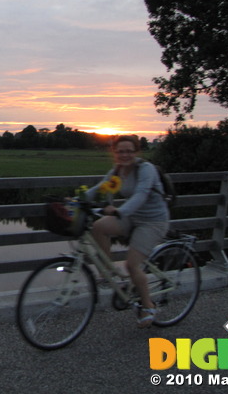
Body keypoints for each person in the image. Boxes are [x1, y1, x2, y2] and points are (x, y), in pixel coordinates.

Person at [86, 135, 169, 328]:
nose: (125, 155)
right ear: (114, 153)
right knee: (98, 227)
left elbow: (141, 194)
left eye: (129, 151)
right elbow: (100, 188)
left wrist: (120, 211)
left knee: (132, 265)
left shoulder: (145, 170)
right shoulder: (117, 171)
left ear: (137, 152)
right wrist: (76, 201)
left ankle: (148, 306)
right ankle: (108, 273)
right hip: (130, 217)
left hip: (153, 221)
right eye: (120, 151)